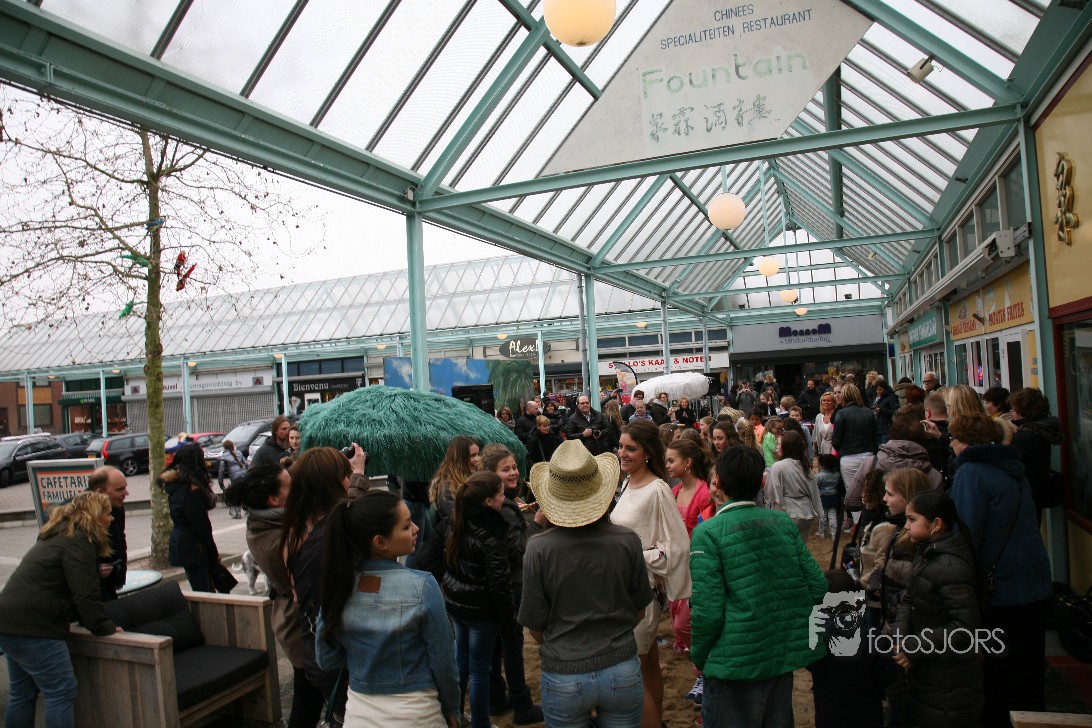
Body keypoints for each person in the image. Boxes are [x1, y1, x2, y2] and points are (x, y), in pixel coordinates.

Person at [690, 445, 827, 727]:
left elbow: (708, 610)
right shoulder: (781, 522)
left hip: (732, 661)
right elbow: (817, 585)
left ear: (719, 483)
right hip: (778, 653)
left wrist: (700, 655)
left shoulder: (708, 532)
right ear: (762, 483)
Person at [521, 439, 650, 728]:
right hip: (620, 666)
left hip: (563, 672)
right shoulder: (627, 541)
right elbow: (640, 609)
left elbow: (535, 625)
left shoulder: (538, 549)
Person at [316, 489, 460, 728]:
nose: (416, 528)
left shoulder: (338, 586)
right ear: (380, 542)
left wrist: (365, 657)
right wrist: (452, 708)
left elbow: (326, 659)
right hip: (417, 713)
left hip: (360, 714)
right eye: (406, 526)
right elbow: (443, 663)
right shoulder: (423, 586)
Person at [947, 413, 1052, 726]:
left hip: (1001, 584)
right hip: (1033, 578)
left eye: (953, 439)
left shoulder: (972, 472)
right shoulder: (1013, 469)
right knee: (1029, 668)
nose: (950, 445)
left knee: (998, 672)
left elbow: (967, 532)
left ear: (965, 443)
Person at [0, 491, 119, 728]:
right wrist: (104, 627)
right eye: (108, 514)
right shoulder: (80, 540)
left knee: (22, 692)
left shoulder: (57, 534)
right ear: (95, 516)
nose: (112, 518)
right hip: (36, 627)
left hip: (8, 621)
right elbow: (85, 593)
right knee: (61, 691)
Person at [223, 463, 325, 728]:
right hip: (300, 624)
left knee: (310, 694)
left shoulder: (270, 520)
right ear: (274, 500)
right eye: (290, 484)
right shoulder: (278, 538)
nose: (297, 488)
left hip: (295, 619)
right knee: (308, 697)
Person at [611, 419, 692, 728]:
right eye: (620, 447)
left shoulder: (658, 490)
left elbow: (677, 547)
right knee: (648, 666)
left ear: (647, 453)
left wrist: (634, 557)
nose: (622, 453)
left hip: (642, 593)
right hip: (626, 589)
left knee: (633, 672)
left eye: (630, 448)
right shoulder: (627, 483)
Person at [283, 444, 366, 725]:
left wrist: (354, 474)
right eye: (345, 476)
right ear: (337, 483)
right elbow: (350, 517)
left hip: (314, 648)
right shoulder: (334, 532)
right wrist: (359, 474)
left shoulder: (295, 530)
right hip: (338, 655)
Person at [892, 491, 983, 727]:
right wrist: (901, 636)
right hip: (928, 671)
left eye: (912, 519)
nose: (906, 526)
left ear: (936, 524)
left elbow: (964, 629)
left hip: (948, 679)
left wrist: (913, 645)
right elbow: (909, 599)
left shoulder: (950, 566)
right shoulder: (927, 553)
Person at [441, 471, 520, 728]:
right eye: (500, 495)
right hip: (482, 612)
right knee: (480, 670)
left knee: (461, 663)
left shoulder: (457, 521)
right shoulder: (492, 533)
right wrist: (508, 621)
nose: (504, 499)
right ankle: (481, 722)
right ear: (488, 501)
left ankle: (454, 714)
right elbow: (500, 583)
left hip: (458, 605)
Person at [479, 446, 544, 724]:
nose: (514, 472)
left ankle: (496, 697)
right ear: (492, 475)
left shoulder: (492, 501)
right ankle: (522, 705)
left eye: (515, 467)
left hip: (495, 583)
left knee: (496, 645)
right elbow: (519, 551)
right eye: (505, 469)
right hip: (512, 582)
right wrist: (537, 524)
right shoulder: (504, 506)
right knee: (512, 643)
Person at [807, 570, 896, 728]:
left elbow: (809, 663)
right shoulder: (874, 640)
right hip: (865, 715)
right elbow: (887, 675)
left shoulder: (815, 638)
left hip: (828, 715)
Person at [665, 438, 712, 676]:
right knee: (676, 616)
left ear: (688, 462)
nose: (667, 465)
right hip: (677, 566)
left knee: (684, 622)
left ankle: (703, 663)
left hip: (696, 565)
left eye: (671, 461)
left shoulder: (704, 494)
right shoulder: (675, 491)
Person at [845, 408, 944, 509]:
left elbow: (851, 502)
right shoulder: (933, 474)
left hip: (878, 517)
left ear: (892, 432)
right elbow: (935, 509)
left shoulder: (872, 463)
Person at [161, 442, 221, 592]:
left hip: (182, 541)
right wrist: (213, 554)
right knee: (204, 590)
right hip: (193, 546)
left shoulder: (176, 484)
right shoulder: (192, 490)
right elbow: (202, 526)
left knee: (200, 585)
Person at [1009, 387, 1064, 518]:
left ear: (1023, 412)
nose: (1012, 414)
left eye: (1014, 410)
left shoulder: (1026, 437)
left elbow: (1011, 461)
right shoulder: (1041, 429)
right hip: (1036, 490)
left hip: (1026, 493)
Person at [832, 383, 878, 520]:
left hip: (849, 457)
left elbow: (836, 440)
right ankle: (869, 520)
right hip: (868, 455)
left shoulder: (841, 414)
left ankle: (858, 522)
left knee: (853, 493)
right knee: (870, 490)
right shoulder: (868, 412)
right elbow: (875, 436)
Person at [766, 431, 822, 539]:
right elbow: (814, 492)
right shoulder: (805, 467)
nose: (777, 448)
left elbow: (771, 492)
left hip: (787, 513)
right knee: (801, 545)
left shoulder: (778, 466)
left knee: (788, 547)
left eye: (779, 444)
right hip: (806, 513)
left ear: (786, 447)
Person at [87, 465, 128, 601]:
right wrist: (94, 569)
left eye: (125, 487)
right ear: (99, 492)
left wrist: (120, 576)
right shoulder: (75, 514)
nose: (126, 493)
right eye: (119, 489)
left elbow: (120, 539)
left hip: (109, 581)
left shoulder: (117, 506)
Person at [217, 438, 249, 518]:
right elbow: (246, 464)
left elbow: (221, 471)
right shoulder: (239, 453)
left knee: (236, 494)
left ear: (224, 447)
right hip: (244, 475)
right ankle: (249, 511)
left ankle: (238, 514)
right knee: (246, 493)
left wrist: (220, 483)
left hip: (235, 477)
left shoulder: (224, 456)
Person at [815, 454, 840, 539]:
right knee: (832, 515)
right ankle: (833, 533)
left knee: (823, 515)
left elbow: (816, 486)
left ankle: (821, 532)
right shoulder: (837, 474)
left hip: (823, 497)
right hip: (834, 496)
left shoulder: (820, 476)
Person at [872, 380, 898, 444]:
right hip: (878, 428)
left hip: (887, 428)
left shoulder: (891, 397)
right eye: (877, 390)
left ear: (885, 388)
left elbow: (895, 412)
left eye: (880, 389)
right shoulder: (877, 398)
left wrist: (881, 410)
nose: (878, 391)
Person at [812, 392, 836, 458]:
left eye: (828, 400)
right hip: (822, 452)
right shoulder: (819, 417)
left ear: (833, 402)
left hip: (835, 451)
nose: (826, 402)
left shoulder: (838, 416)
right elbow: (815, 436)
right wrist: (815, 452)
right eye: (824, 400)